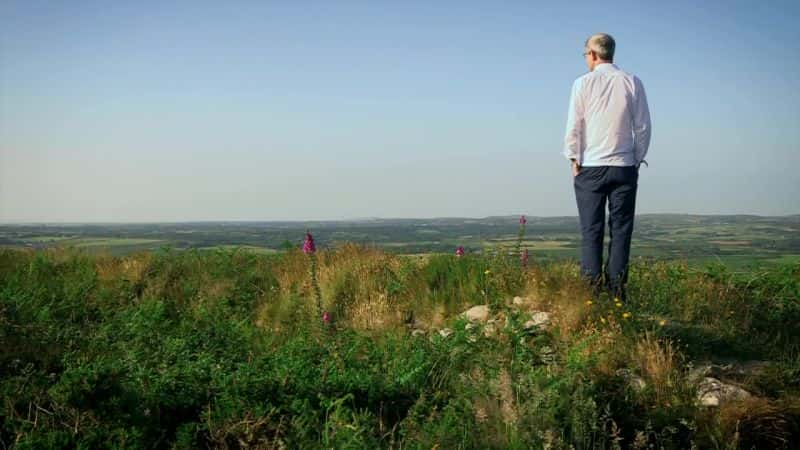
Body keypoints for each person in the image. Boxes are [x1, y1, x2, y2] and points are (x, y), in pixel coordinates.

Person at [563, 33, 651, 301]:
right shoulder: (632, 82)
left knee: (591, 231)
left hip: (591, 165)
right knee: (622, 231)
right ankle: (616, 293)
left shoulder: (582, 84)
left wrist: (573, 158)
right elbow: (643, 127)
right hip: (624, 166)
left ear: (592, 54)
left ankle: (589, 294)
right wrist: (636, 159)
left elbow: (574, 125)